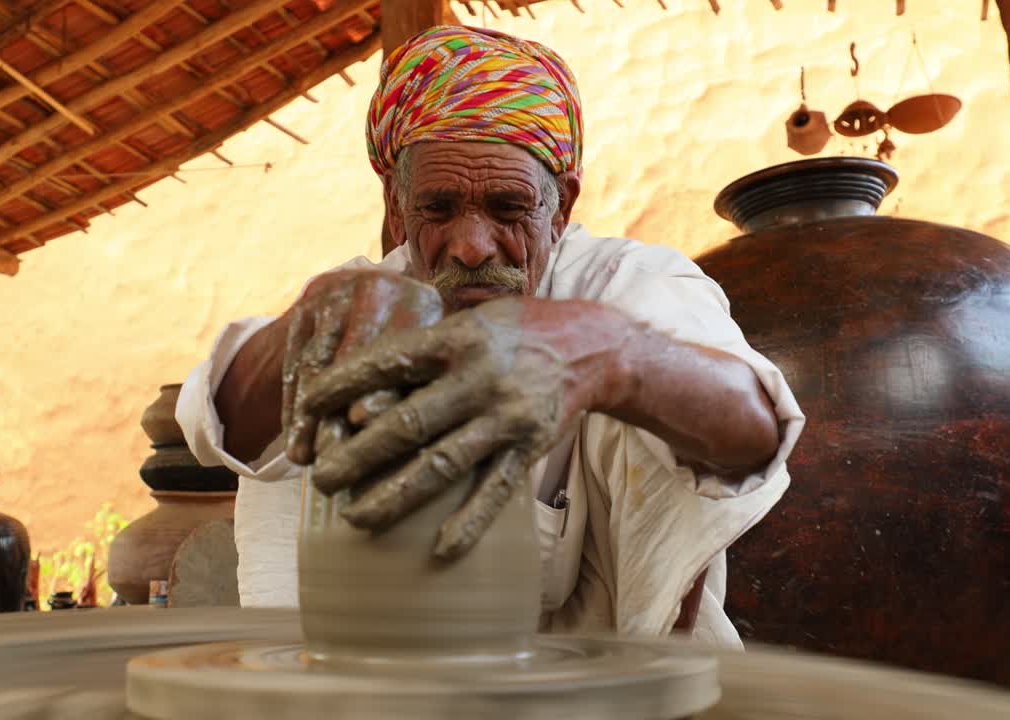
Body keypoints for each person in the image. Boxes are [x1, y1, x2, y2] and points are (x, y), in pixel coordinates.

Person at [176, 25, 804, 647]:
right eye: (437, 209)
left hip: (603, 687)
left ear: (559, 208)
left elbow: (756, 439)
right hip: (387, 686)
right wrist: (292, 339)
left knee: (648, 376)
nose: (472, 247)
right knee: (320, 375)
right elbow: (214, 425)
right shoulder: (366, 299)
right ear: (396, 211)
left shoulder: (627, 281)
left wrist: (613, 358)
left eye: (508, 209)